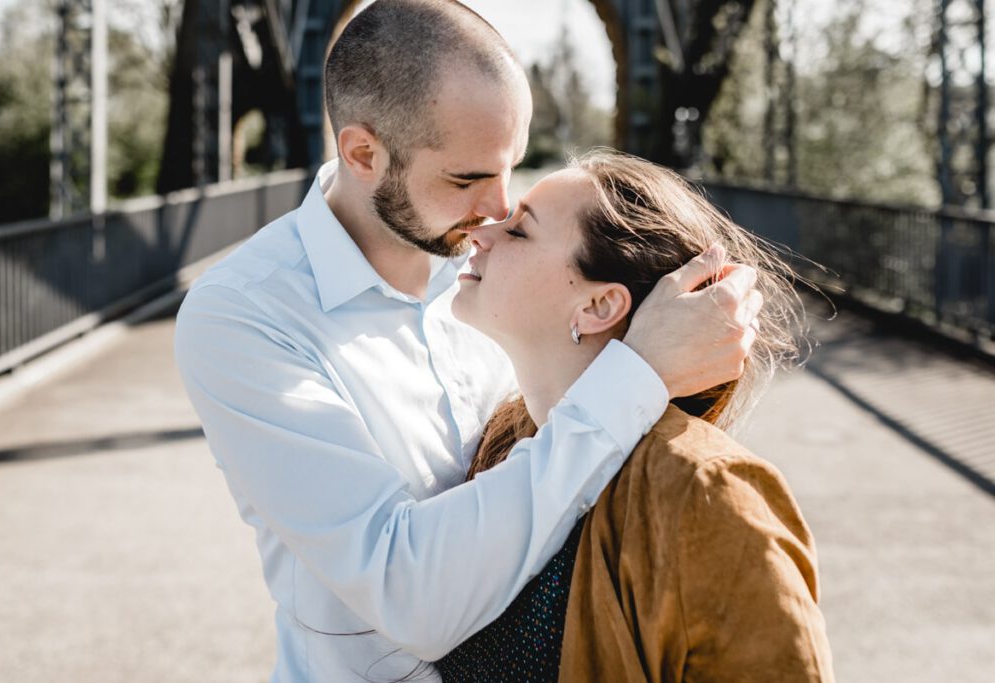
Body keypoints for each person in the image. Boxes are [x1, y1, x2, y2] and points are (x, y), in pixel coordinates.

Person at [174, 1, 763, 681]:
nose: (499, 209)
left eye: (511, 167)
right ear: (363, 153)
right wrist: (636, 374)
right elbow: (409, 594)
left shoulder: (499, 281)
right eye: (467, 178)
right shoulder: (246, 316)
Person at [435, 150, 833, 681]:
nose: (481, 234)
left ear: (598, 306)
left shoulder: (708, 495)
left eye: (521, 231)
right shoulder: (503, 444)